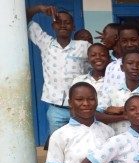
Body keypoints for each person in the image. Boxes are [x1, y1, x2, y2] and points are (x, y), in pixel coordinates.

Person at [27, 4, 91, 134]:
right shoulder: (46, 43)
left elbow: (100, 62)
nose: (63, 25)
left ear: (73, 27)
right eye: (58, 22)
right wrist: (39, 8)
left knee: (81, 145)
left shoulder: (84, 46)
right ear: (53, 26)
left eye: (67, 22)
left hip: (80, 109)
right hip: (56, 110)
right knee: (58, 146)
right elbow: (24, 18)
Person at [98, 50, 139, 135]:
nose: (134, 67)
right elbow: (97, 115)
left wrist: (121, 110)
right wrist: (124, 116)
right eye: (130, 63)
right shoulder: (111, 91)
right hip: (116, 141)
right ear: (122, 68)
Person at [102, 24, 139, 93]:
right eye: (124, 41)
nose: (129, 44)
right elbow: (105, 97)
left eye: (133, 40)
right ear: (119, 42)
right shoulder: (111, 67)